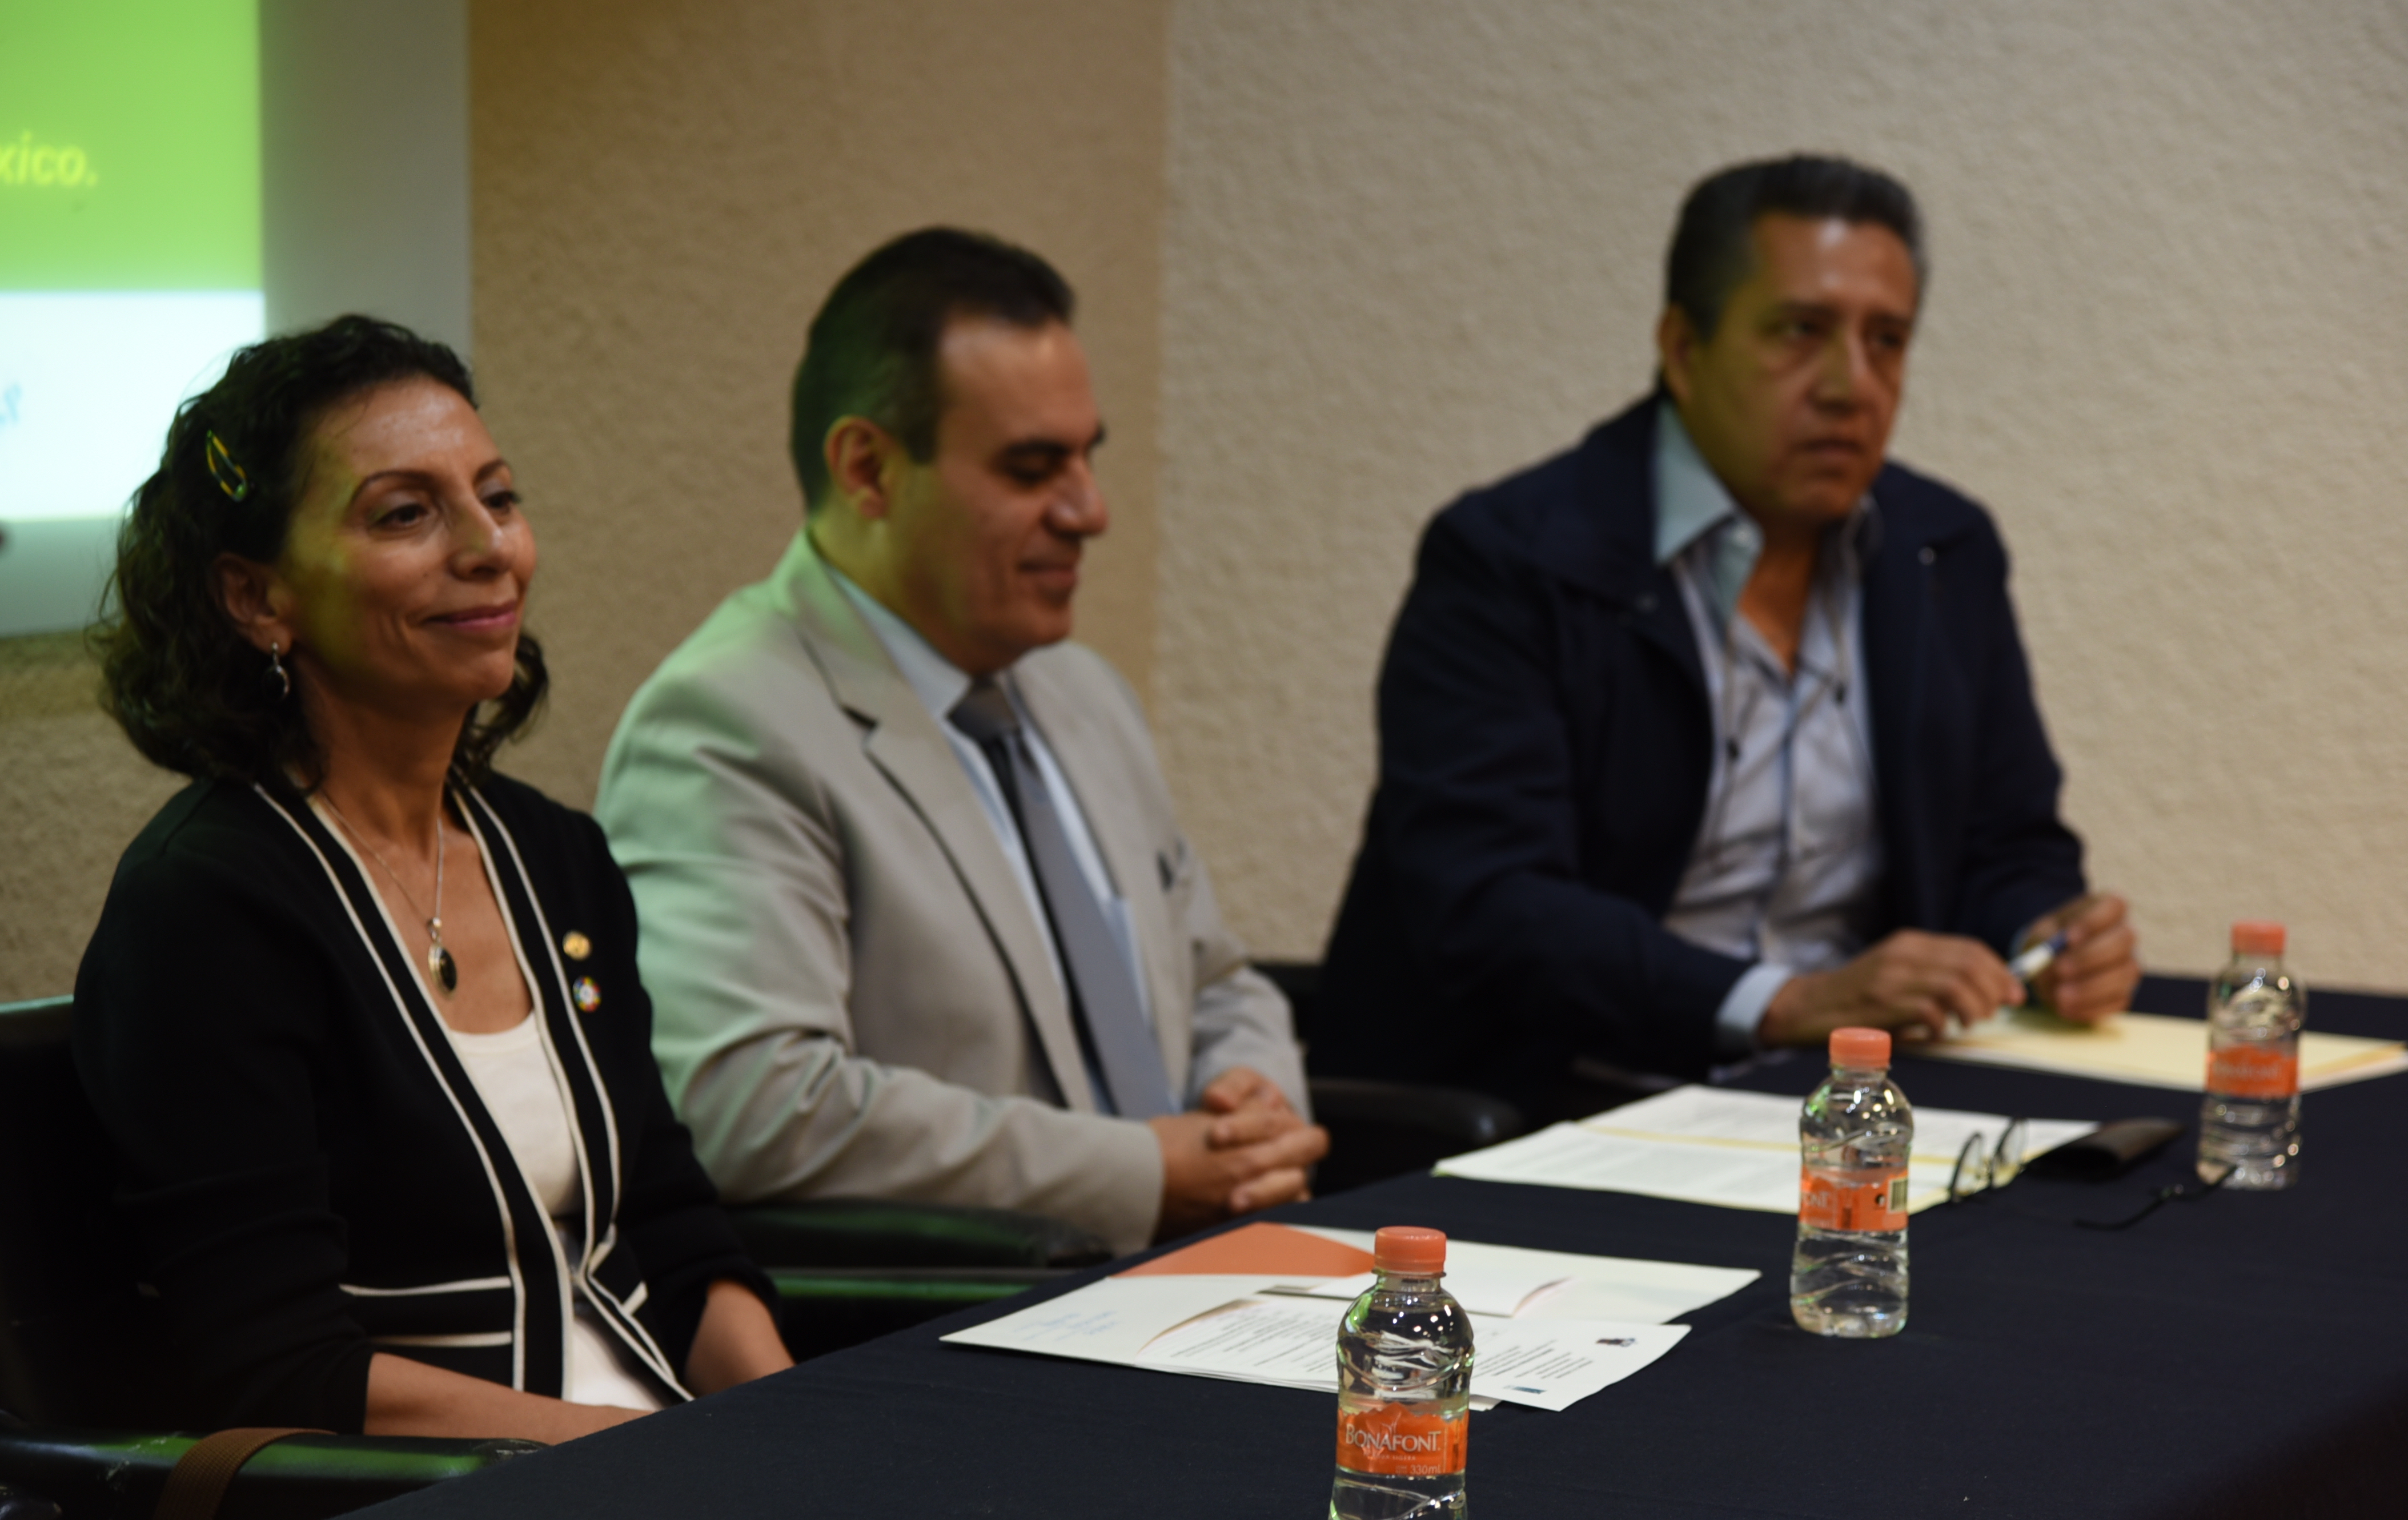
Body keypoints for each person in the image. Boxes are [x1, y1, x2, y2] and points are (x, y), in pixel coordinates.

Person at [75, 316, 793, 1439]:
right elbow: (275, 1364)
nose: (489, 547)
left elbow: (676, 1228)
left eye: (497, 497)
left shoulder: (557, 855)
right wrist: (656, 1462)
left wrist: (793, 1436)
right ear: (258, 598)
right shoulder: (210, 904)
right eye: (406, 512)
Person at [1315, 155, 2143, 1120]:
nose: (1851, 384)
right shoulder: (1512, 558)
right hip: (1563, 1103)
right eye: (1800, 333)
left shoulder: (1941, 550)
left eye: (1888, 341)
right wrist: (1785, 1003)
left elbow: (2008, 841)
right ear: (1683, 347)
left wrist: (2044, 936)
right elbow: (1492, 903)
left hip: (1847, 1107)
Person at [595, 229, 1323, 1256]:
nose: (1091, 511)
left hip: (1216, 1275)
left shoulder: (1081, 690)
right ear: (869, 469)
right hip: (986, 1318)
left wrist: (1252, 1102)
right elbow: (754, 1107)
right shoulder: (728, 722)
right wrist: (1145, 1174)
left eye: (1087, 456)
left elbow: (1215, 981)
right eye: (1034, 468)